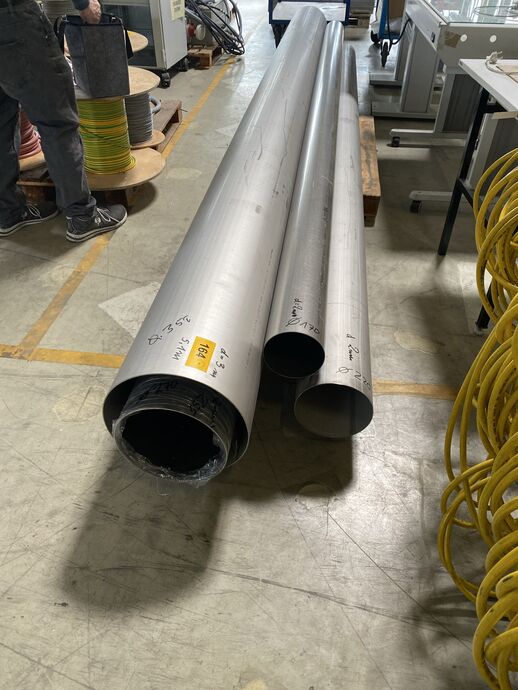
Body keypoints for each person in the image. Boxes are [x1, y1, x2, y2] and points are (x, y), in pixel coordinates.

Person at [0, 0, 127, 242]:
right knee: (57, 121)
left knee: (1, 123)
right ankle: (82, 217)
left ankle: (8, 212)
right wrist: (84, 3)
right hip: (13, 20)